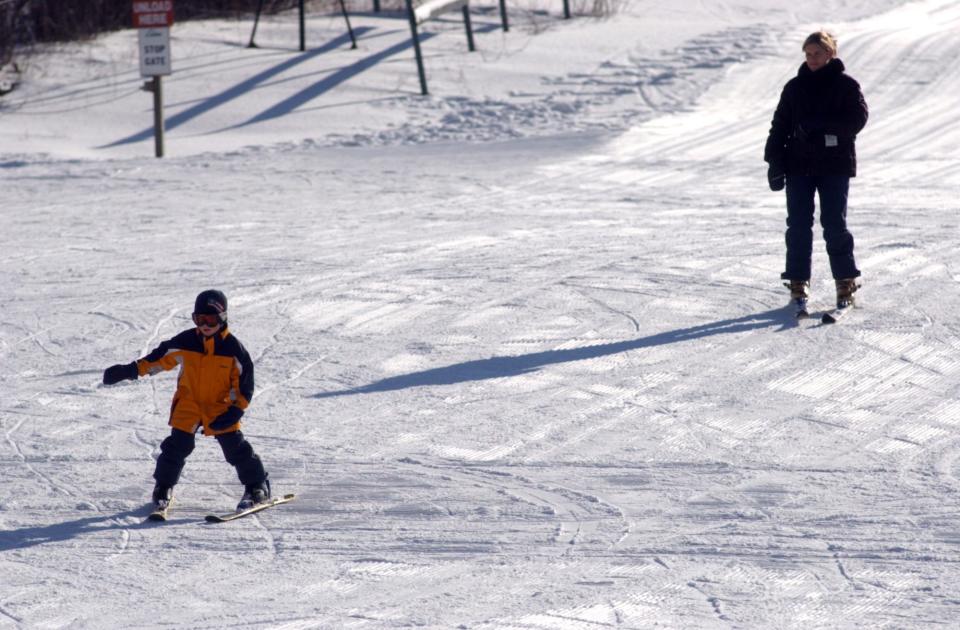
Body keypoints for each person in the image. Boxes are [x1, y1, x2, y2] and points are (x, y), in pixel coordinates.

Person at [102, 290, 270, 512]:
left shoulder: (233, 350)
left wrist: (235, 411)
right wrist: (130, 370)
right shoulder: (186, 341)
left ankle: (257, 485)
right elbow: (159, 358)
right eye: (200, 319)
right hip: (188, 404)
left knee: (234, 447)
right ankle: (163, 487)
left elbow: (245, 385)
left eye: (211, 319)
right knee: (177, 447)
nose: (205, 324)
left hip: (220, 407)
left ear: (223, 318)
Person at [764, 30, 868, 311]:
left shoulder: (846, 86)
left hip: (834, 166)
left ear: (830, 54)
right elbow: (780, 125)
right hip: (799, 166)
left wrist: (822, 126)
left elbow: (858, 119)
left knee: (834, 224)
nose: (811, 59)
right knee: (798, 225)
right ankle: (798, 282)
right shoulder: (794, 88)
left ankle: (845, 281)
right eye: (808, 54)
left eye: (817, 53)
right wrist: (774, 160)